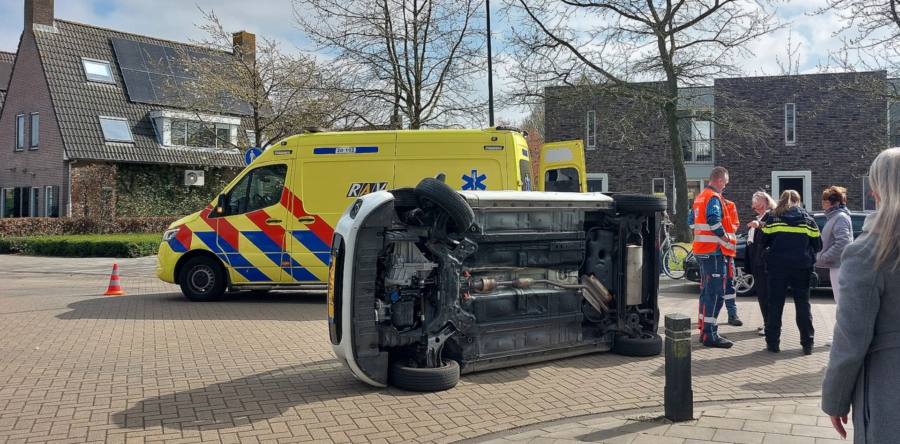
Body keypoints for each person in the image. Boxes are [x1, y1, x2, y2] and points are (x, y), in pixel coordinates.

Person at [821, 147, 900, 442]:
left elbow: (851, 338)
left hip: (888, 384)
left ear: (877, 191)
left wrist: (835, 398)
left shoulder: (869, 252)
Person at [760, 190, 822, 354]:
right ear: (798, 201)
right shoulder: (808, 219)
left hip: (777, 268)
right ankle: (807, 344)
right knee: (803, 306)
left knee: (775, 306)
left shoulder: (773, 218)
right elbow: (818, 245)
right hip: (802, 268)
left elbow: (762, 241)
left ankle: (773, 344)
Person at [687, 166, 737, 348]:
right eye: (725, 183)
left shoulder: (699, 197)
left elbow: (690, 221)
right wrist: (725, 239)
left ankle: (703, 327)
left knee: (706, 292)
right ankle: (710, 334)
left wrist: (700, 235)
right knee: (716, 293)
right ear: (720, 180)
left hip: (702, 250)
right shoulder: (714, 198)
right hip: (714, 252)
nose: (725, 187)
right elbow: (713, 220)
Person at [817, 186, 853, 347]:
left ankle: (842, 337)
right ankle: (841, 336)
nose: (823, 204)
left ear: (835, 202)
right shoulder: (836, 216)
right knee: (840, 302)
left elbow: (844, 242)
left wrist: (824, 257)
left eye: (825, 201)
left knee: (842, 302)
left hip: (839, 265)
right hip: (836, 265)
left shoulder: (839, 217)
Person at [745, 191, 776, 336]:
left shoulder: (770, 217)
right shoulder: (761, 217)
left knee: (765, 293)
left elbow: (768, 234)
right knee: (762, 292)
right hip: (756, 259)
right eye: (754, 203)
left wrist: (759, 225)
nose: (755, 206)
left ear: (767, 203)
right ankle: (767, 321)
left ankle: (770, 324)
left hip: (763, 261)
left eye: (758, 203)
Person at [723, 199, 742, 326]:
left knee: (729, 283)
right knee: (708, 287)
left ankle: (732, 314)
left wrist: (725, 232)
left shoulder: (730, 205)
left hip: (727, 251)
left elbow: (735, 223)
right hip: (711, 252)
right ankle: (706, 318)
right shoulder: (705, 203)